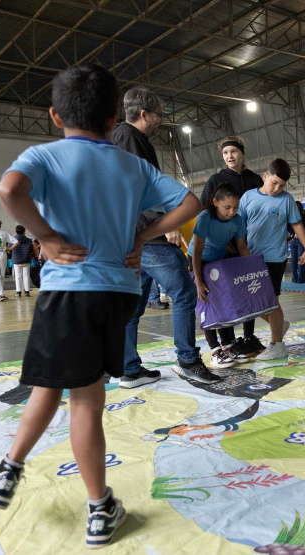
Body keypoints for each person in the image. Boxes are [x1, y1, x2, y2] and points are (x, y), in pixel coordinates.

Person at [0, 63, 200, 549]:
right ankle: (97, 505)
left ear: (56, 116)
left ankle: (24, 474)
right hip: (116, 292)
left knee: (51, 388)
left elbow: (8, 191)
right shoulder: (134, 165)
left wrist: (47, 236)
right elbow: (189, 203)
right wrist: (142, 236)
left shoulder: (45, 155)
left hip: (67, 291)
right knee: (84, 397)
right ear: (110, 121)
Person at [113, 86, 214, 388]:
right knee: (184, 292)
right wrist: (165, 224)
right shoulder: (132, 140)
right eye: (158, 115)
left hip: (130, 239)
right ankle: (187, 359)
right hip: (146, 238)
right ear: (143, 114)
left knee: (133, 305)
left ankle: (129, 368)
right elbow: (139, 191)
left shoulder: (122, 139)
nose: (160, 121)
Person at [238, 158, 305, 360]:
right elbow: (239, 228)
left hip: (275, 258)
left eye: (281, 185)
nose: (276, 188)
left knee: (271, 302)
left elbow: (296, 225)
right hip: (250, 258)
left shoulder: (286, 200)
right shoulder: (247, 198)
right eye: (274, 183)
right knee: (249, 304)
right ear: (265, 176)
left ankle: (276, 344)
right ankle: (278, 325)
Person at [201, 135, 265, 360]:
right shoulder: (215, 179)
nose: (230, 156)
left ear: (242, 153)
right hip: (221, 248)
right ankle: (226, 341)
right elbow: (205, 211)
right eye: (226, 153)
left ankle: (248, 336)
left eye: (234, 152)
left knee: (249, 290)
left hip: (247, 243)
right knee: (221, 294)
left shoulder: (255, 179)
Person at [190, 182, 249, 371]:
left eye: (235, 207)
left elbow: (242, 248)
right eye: (227, 207)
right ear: (215, 202)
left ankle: (228, 343)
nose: (232, 211)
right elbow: (197, 251)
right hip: (198, 262)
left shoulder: (237, 221)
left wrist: (250, 272)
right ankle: (215, 349)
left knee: (225, 301)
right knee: (207, 302)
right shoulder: (205, 217)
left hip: (218, 262)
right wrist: (198, 281)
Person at [288, 201, 305, 283]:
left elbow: (288, 227)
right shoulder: (304, 216)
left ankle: (294, 277)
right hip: (302, 239)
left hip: (293, 240)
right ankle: (301, 278)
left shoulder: (291, 217)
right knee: (301, 258)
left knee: (293, 259)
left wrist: (293, 234)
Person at [11, 225, 34, 296]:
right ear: (24, 232)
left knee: (18, 276)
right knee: (26, 275)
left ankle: (18, 292)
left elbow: (10, 249)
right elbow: (31, 250)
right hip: (26, 259)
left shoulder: (12, 240)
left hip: (16, 259)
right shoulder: (29, 240)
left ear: (16, 232)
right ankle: (27, 291)